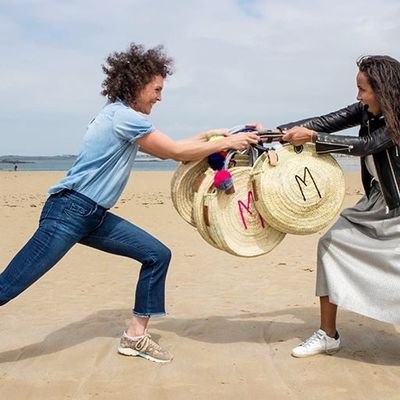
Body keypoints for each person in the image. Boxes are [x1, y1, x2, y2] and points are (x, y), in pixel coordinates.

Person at [0, 43, 259, 363]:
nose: (160, 97)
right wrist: (230, 142)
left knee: (156, 255)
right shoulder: (125, 118)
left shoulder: (118, 116)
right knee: (7, 287)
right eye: (157, 89)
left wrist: (211, 134)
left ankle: (135, 337)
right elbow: (173, 152)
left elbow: (174, 146)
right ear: (138, 84)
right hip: (69, 212)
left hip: (91, 215)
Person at [278, 55, 400, 358]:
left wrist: (314, 138)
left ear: (382, 91)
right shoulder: (366, 111)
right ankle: (328, 334)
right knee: (331, 243)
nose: (358, 97)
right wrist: (274, 131)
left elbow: (367, 145)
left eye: (363, 90)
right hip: (377, 203)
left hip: (398, 209)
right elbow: (323, 122)